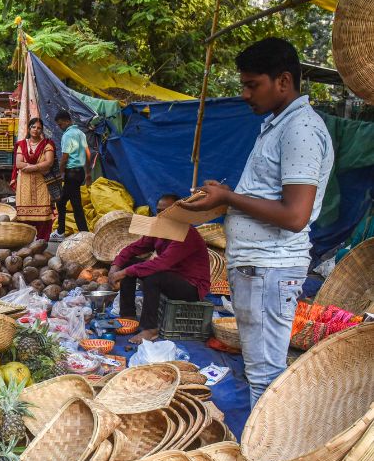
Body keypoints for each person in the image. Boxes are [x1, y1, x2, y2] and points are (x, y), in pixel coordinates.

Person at [180, 38, 334, 408]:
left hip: (270, 267)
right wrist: (228, 193)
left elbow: (295, 215)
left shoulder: (299, 129)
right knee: (260, 371)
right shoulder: (279, 125)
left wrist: (229, 198)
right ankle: (263, 448)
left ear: (282, 81)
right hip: (259, 267)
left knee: (266, 377)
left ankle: (263, 457)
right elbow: (269, 197)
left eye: (252, 85)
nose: (246, 94)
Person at [109, 194, 211, 344]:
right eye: (159, 211)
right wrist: (115, 267)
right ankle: (128, 315)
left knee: (152, 276)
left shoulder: (186, 233)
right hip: (171, 277)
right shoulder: (159, 229)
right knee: (129, 263)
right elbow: (133, 248)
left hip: (192, 286)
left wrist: (123, 273)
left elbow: (161, 264)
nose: (161, 216)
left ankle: (150, 329)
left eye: (167, 212)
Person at [11, 117, 56, 241]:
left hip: (41, 182)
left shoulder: (47, 144)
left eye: (39, 128)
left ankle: (41, 242)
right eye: (33, 127)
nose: (36, 130)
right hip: (24, 184)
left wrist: (31, 167)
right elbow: (19, 164)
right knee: (24, 213)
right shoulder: (22, 144)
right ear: (29, 128)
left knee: (43, 214)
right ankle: (25, 241)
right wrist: (38, 167)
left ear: (42, 130)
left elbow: (49, 162)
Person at [50, 110, 91, 241]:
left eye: (60, 124)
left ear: (67, 121)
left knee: (75, 204)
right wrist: (88, 172)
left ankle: (84, 234)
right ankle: (62, 230)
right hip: (80, 173)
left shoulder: (67, 135)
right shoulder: (80, 133)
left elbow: (65, 156)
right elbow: (88, 153)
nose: (60, 127)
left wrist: (61, 172)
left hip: (71, 173)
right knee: (62, 202)